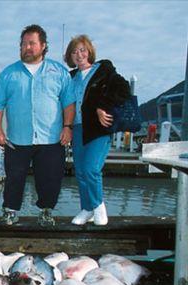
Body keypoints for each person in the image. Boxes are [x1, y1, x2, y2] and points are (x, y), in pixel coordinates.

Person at [0, 24, 75, 226]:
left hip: (51, 138)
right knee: (14, 178)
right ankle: (10, 211)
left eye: (31, 43)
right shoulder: (8, 74)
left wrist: (67, 127)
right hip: (17, 139)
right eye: (23, 44)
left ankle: (46, 211)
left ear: (43, 45)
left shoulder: (60, 72)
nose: (26, 47)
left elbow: (69, 102)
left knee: (50, 178)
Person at [65, 34, 131, 226]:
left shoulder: (104, 71)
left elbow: (123, 89)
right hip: (77, 128)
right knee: (80, 171)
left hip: (98, 129)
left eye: (82, 50)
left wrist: (103, 106)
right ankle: (87, 209)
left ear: (90, 52)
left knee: (91, 169)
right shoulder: (70, 77)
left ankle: (98, 207)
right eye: (74, 52)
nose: (79, 55)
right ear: (70, 56)